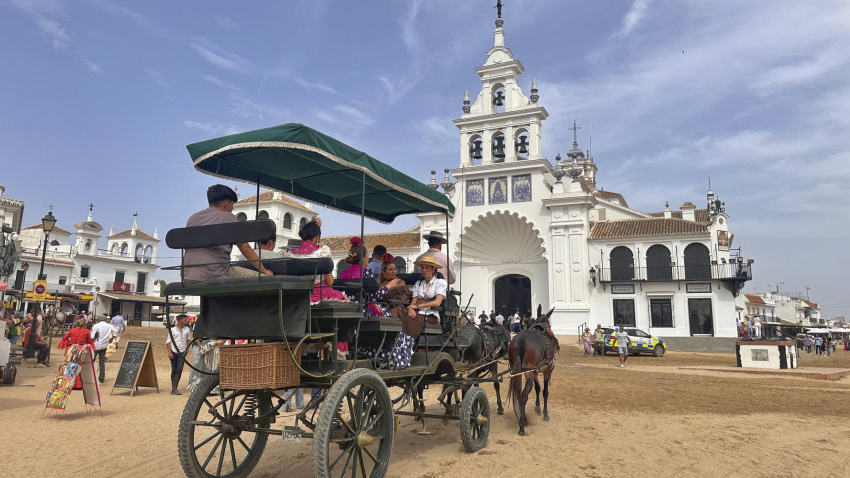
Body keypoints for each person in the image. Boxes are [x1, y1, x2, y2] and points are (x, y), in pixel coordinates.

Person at [183, 184, 272, 281]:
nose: (232, 209)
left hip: (187, 275)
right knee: (266, 280)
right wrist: (265, 271)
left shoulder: (193, 218)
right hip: (216, 274)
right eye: (232, 205)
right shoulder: (228, 218)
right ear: (226, 204)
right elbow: (245, 249)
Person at [405, 256, 447, 341]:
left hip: (430, 315)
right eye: (422, 267)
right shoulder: (419, 283)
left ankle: (409, 344)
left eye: (427, 267)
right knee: (404, 316)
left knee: (412, 320)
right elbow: (413, 302)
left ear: (433, 269)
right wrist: (410, 309)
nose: (424, 270)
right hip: (417, 313)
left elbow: (437, 302)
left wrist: (418, 307)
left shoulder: (439, 283)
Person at [57, 319, 95, 390]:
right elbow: (89, 341)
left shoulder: (72, 330)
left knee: (69, 366)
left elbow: (64, 338)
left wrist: (69, 344)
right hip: (81, 350)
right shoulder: (86, 331)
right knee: (78, 366)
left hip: (72, 349)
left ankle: (67, 383)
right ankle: (78, 385)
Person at [369, 253, 408, 318]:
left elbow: (402, 300)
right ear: (384, 272)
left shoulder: (401, 282)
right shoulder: (380, 284)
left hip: (398, 309)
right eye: (390, 270)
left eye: (395, 269)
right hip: (382, 309)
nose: (394, 271)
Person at [166, 314, 192, 395]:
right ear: (180, 321)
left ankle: (175, 388)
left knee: (179, 369)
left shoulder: (187, 329)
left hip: (182, 352)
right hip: (174, 351)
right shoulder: (172, 330)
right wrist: (169, 352)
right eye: (185, 320)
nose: (186, 321)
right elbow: (168, 342)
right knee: (174, 369)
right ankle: (173, 388)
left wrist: (187, 349)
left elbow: (188, 340)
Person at [90, 316, 117, 383]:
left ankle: (90, 376)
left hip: (96, 345)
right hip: (104, 345)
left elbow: (92, 336)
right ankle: (102, 377)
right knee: (102, 362)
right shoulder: (109, 325)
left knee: (91, 361)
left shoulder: (96, 326)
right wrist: (111, 339)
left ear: (98, 319)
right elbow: (115, 331)